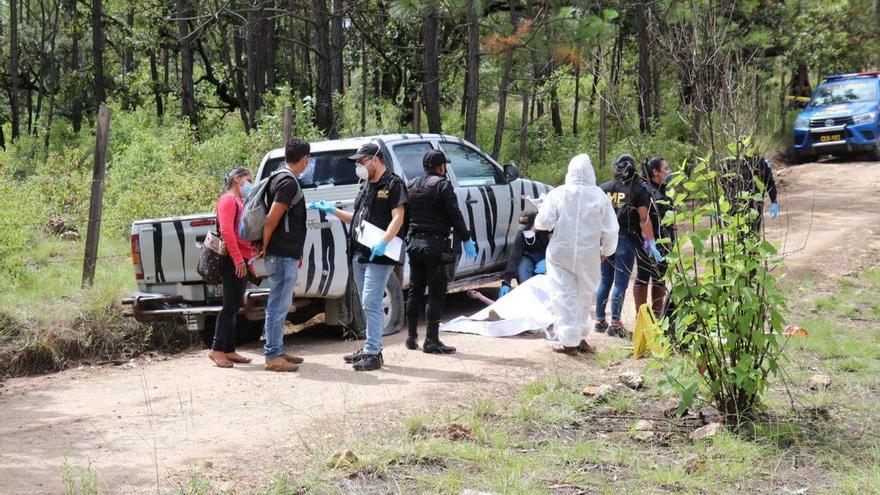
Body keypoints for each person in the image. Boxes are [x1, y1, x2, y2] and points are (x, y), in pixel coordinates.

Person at [309, 142, 408, 371]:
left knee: (370, 301)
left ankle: (374, 352)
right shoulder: (366, 186)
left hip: (379, 255)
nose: (359, 166)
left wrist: (383, 243)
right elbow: (357, 219)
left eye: (362, 162)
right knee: (366, 304)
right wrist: (332, 211)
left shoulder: (393, 185)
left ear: (375, 159)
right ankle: (369, 347)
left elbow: (398, 217)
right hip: (359, 253)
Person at [534, 154, 619, 355]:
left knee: (563, 295)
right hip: (589, 253)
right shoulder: (599, 196)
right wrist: (606, 251)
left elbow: (543, 223)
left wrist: (541, 210)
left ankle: (569, 341)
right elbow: (611, 229)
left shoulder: (558, 194)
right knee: (584, 295)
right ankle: (579, 338)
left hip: (560, 252)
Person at [403, 150, 478, 353]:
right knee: (436, 293)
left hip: (414, 244)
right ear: (441, 167)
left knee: (415, 290)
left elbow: (405, 217)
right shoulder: (443, 186)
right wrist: (467, 239)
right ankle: (432, 340)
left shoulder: (410, 185)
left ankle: (411, 337)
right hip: (435, 246)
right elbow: (455, 215)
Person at [256, 138, 311, 372]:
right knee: (278, 305)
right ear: (305, 159)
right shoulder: (287, 182)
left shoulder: (278, 177)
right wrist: (265, 246)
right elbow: (271, 219)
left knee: (281, 304)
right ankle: (272, 356)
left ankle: (277, 349)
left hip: (285, 252)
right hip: (281, 253)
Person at [594, 153, 660, 338]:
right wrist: (651, 242)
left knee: (605, 280)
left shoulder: (603, 188)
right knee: (620, 283)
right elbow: (644, 219)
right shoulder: (638, 189)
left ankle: (600, 320)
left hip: (605, 238)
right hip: (625, 239)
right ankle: (615, 323)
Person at [208, 167, 256, 368]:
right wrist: (237, 259)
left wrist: (249, 258)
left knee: (235, 305)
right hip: (232, 260)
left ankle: (229, 350)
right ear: (237, 179)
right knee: (230, 306)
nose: (250, 183)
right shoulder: (228, 200)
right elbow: (227, 231)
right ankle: (217, 349)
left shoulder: (240, 201)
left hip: (242, 258)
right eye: (248, 179)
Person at [634, 157, 676, 319]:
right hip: (647, 243)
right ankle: (642, 317)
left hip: (664, 243)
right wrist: (649, 241)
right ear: (655, 172)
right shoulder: (645, 190)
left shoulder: (665, 190)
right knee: (643, 277)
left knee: (660, 279)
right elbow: (643, 218)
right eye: (666, 168)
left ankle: (657, 317)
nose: (669, 171)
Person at [498, 211, 551, 298]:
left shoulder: (549, 228)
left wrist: (549, 261)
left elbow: (564, 250)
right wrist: (506, 281)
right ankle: (528, 296)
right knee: (523, 265)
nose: (527, 231)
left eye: (529, 228)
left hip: (551, 258)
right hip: (532, 258)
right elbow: (514, 256)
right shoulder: (522, 233)